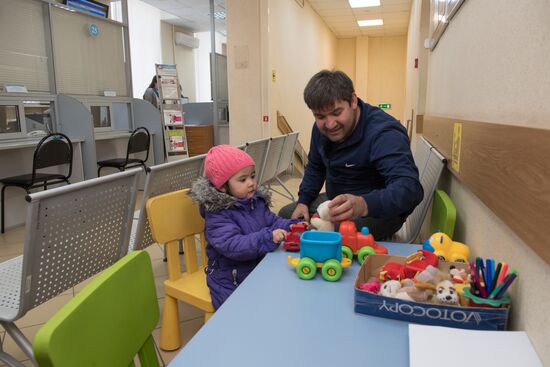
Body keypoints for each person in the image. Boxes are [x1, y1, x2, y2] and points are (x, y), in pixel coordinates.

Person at [278, 70, 423, 240]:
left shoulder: (384, 133)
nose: (330, 124)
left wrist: (363, 204)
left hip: (378, 211)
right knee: (288, 217)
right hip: (337, 201)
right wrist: (303, 201)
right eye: (320, 116)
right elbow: (316, 168)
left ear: (353, 101)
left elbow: (409, 189)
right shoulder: (320, 130)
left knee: (335, 232)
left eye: (337, 112)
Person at [190, 145, 300, 309]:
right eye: (243, 179)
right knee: (244, 315)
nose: (251, 183)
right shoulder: (218, 213)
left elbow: (271, 221)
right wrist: (267, 237)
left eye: (253, 176)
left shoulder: (254, 201)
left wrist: (292, 226)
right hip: (230, 278)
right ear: (222, 186)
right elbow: (233, 245)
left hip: (257, 267)